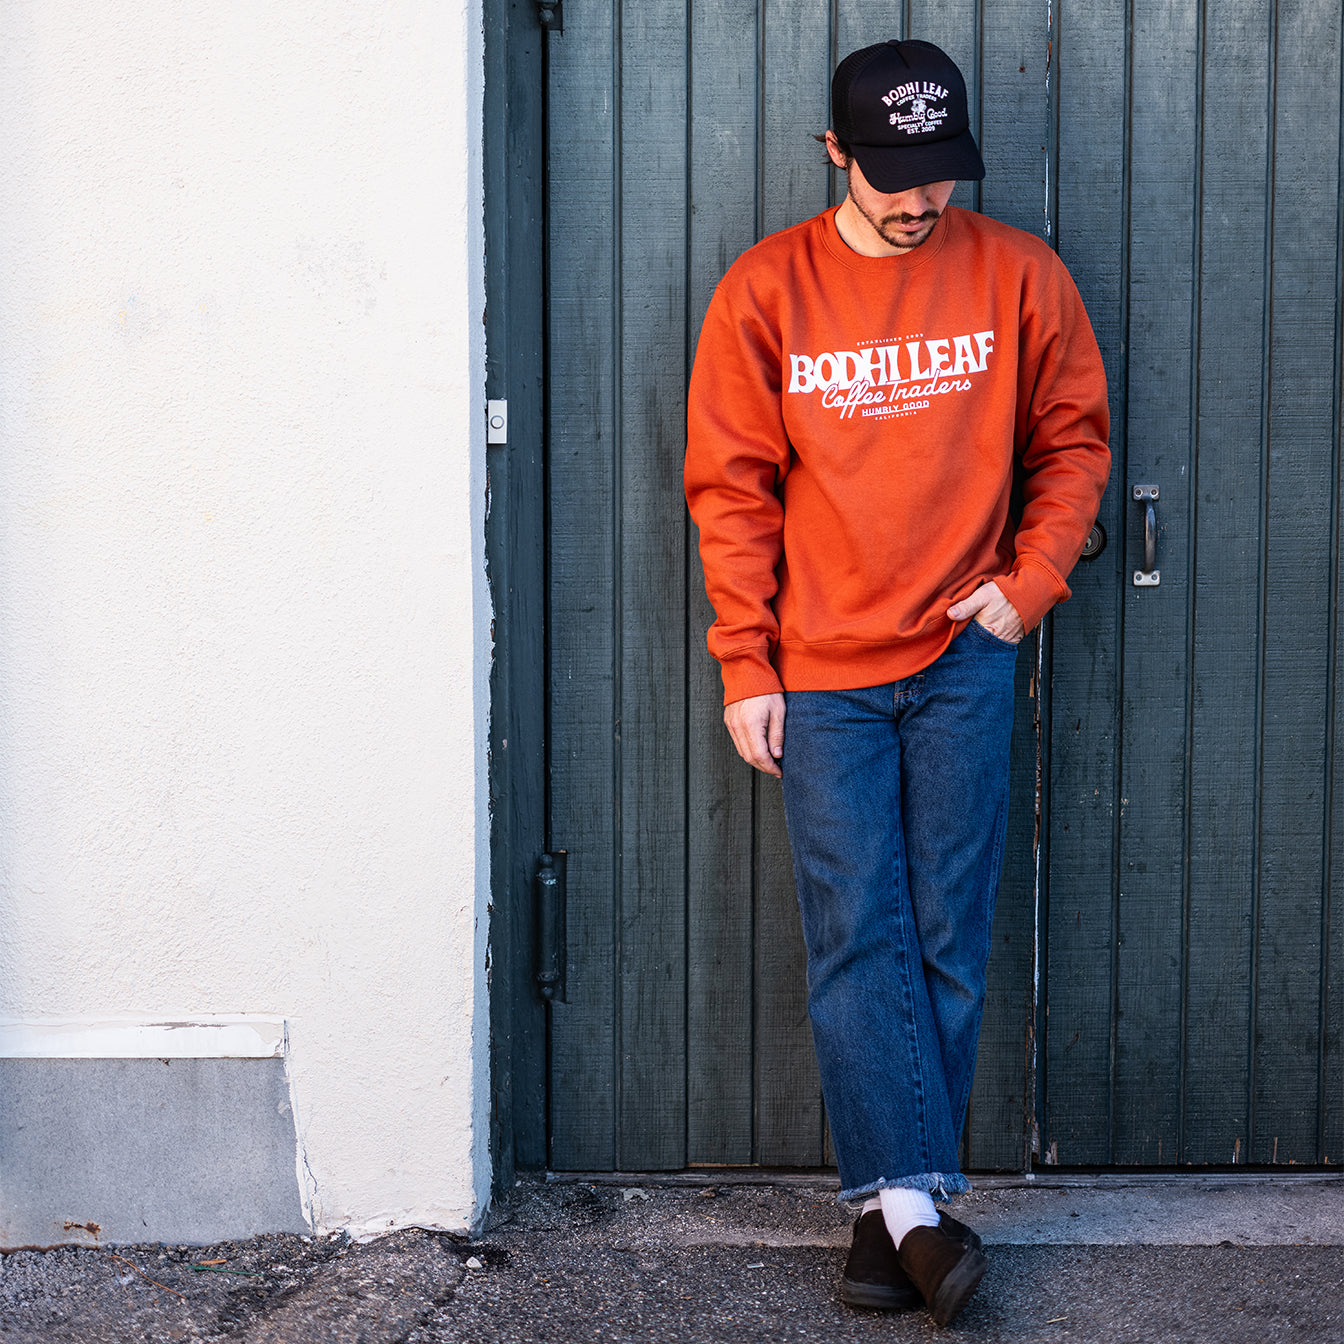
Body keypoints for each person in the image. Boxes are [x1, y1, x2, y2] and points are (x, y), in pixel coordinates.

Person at [684, 38, 1110, 1327]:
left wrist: (1025, 588)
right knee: (856, 931)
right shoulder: (765, 293)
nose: (921, 201)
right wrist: (744, 661)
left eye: (939, 175)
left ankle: (888, 1220)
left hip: (963, 656)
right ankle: (919, 1215)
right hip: (820, 673)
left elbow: (1075, 441)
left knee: (946, 935)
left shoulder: (1019, 276)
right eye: (894, 177)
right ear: (836, 158)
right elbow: (733, 493)